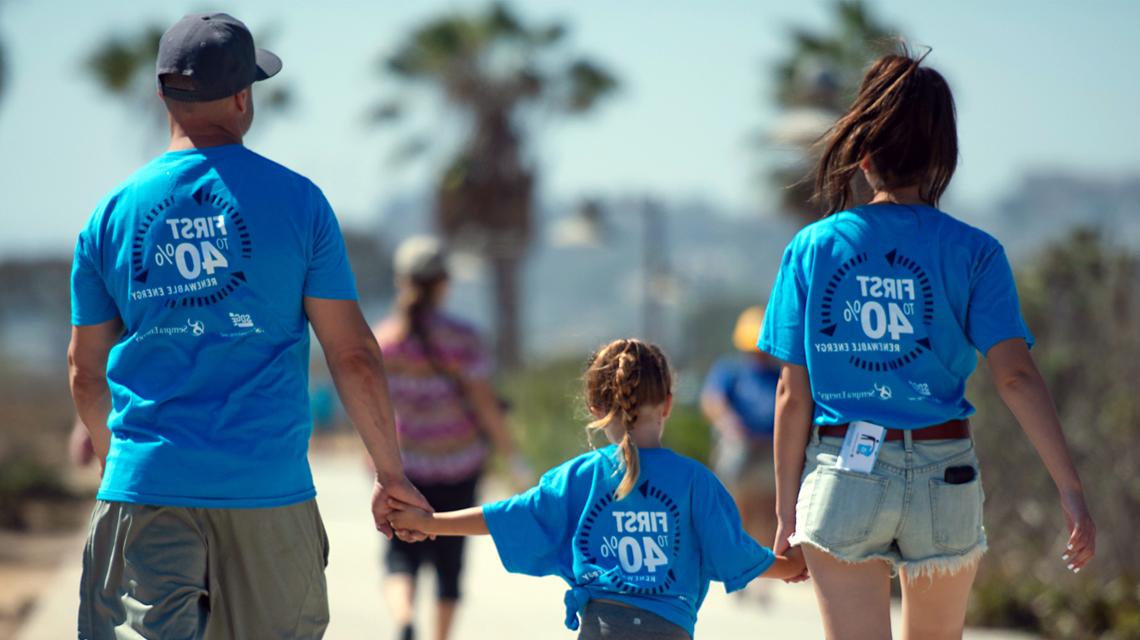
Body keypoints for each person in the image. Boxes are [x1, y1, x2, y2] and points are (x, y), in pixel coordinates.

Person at [67, 13, 429, 639]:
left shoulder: (109, 217)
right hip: (268, 491)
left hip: (148, 487)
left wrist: (115, 460)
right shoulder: (299, 202)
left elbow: (84, 370)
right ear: (242, 97)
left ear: (162, 94)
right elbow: (353, 355)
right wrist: (390, 476)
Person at [758, 50, 1096, 640]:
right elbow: (1015, 377)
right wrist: (1070, 489)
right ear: (942, 156)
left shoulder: (812, 248)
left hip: (843, 470)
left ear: (862, 152)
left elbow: (792, 391)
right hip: (947, 476)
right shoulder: (976, 251)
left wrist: (787, 510)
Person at [389, 338, 805, 640]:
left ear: (594, 407)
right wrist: (789, 566)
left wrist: (430, 523)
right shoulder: (696, 482)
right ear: (668, 404)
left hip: (600, 629)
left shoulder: (579, 476)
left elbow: (508, 514)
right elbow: (734, 551)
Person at [372, 235, 528, 640]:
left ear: (402, 281)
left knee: (399, 555)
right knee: (449, 561)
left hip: (406, 466)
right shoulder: (463, 337)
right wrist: (513, 457)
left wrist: (373, 459)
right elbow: (484, 405)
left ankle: (405, 621)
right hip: (459, 462)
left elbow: (373, 408)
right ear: (443, 283)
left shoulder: (385, 340)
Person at [701, 306, 781, 548]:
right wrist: (729, 422)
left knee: (769, 506)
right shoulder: (731, 370)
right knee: (735, 497)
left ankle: (766, 556)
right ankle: (733, 547)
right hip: (741, 444)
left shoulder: (778, 374)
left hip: (768, 446)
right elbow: (712, 400)